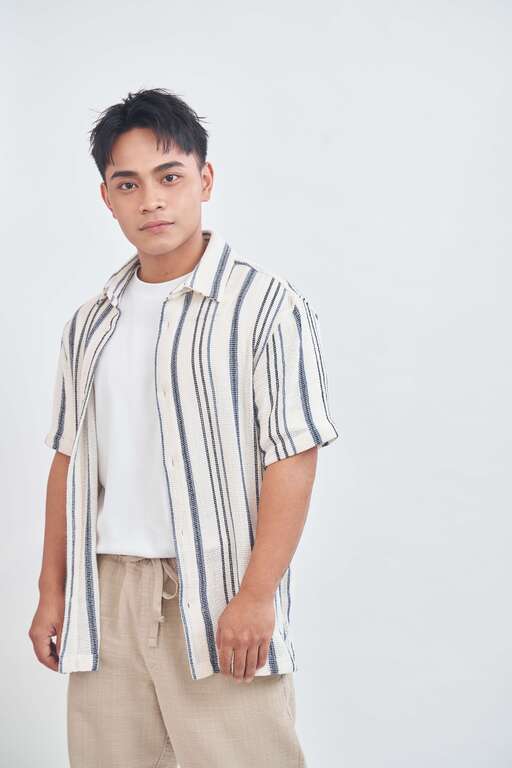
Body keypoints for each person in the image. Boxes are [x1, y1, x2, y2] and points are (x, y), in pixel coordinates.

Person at [29, 87, 340, 768]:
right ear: (107, 198)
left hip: (218, 592)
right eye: (128, 184)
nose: (151, 201)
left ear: (205, 179)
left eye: (169, 177)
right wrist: (53, 591)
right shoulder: (90, 324)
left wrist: (257, 595)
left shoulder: (264, 306)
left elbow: (292, 456)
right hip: (106, 598)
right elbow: (69, 461)